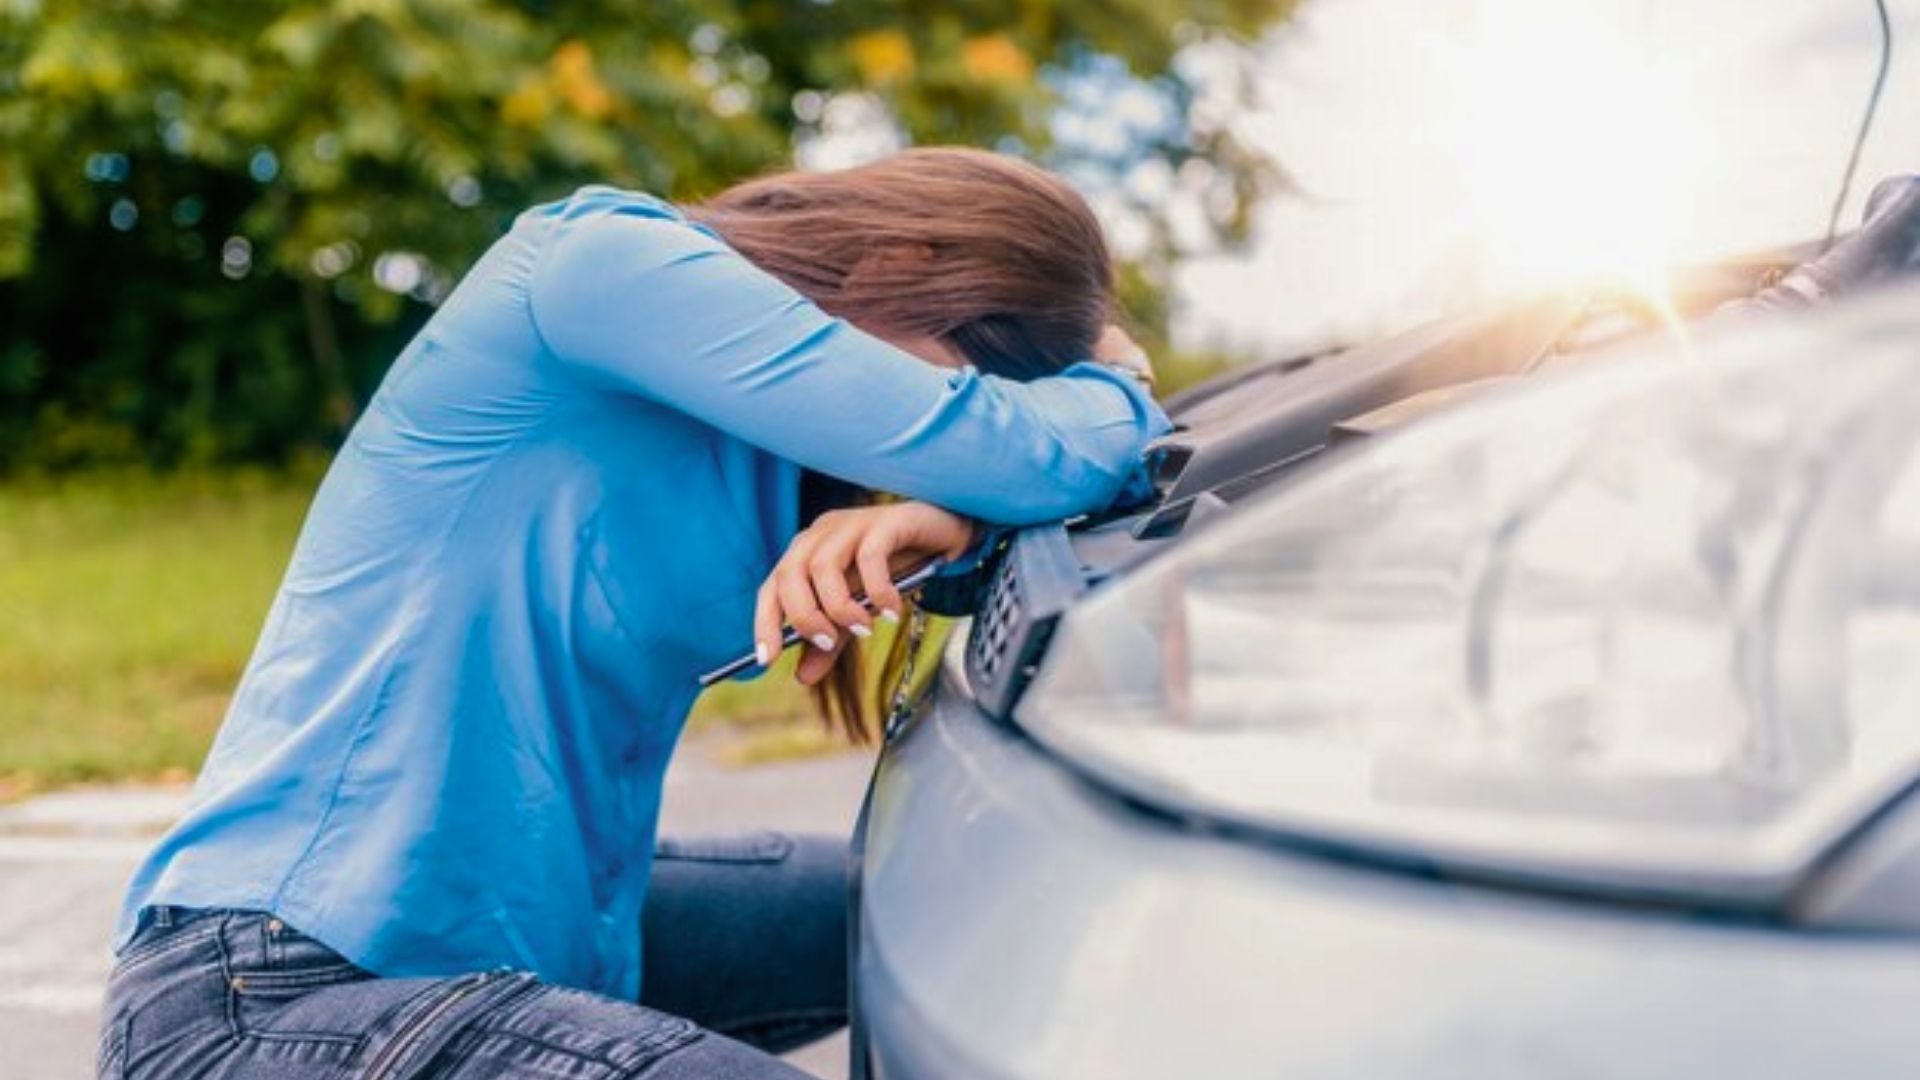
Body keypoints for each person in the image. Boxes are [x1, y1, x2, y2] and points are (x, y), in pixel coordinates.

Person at [97, 147, 1167, 1079]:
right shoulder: (595, 266)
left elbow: (1023, 471)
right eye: (983, 378)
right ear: (899, 268)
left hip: (540, 928)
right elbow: (1009, 451)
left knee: (957, 887)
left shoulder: (768, 440)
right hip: (277, 990)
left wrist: (951, 522)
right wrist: (1115, 382)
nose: (975, 408)